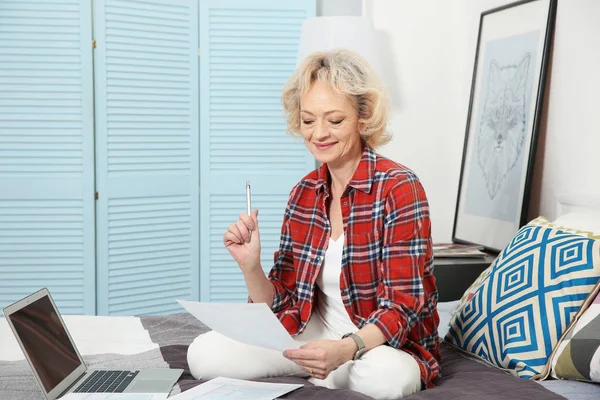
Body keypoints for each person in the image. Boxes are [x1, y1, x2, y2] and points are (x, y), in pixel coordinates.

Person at [187, 49, 440, 399]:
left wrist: (344, 349)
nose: (319, 134)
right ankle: (320, 369)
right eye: (308, 121)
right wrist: (251, 267)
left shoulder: (398, 187)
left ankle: (326, 369)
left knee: (388, 379)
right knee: (203, 353)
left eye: (334, 120)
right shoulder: (304, 192)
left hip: (375, 344)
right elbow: (282, 301)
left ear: (363, 117)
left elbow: (404, 305)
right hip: (314, 332)